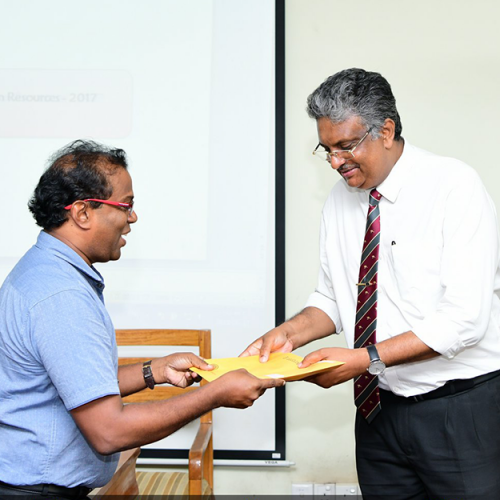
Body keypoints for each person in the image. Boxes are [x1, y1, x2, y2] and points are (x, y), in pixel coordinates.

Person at [241, 68, 500, 499]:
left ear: (386, 131)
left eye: (346, 146)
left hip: (461, 411)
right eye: (327, 150)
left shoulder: (454, 187)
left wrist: (365, 359)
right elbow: (334, 298)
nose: (335, 162)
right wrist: (287, 334)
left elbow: (464, 321)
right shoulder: (338, 200)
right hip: (379, 410)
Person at [0, 140, 284, 499]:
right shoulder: (61, 296)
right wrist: (213, 395)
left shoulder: (42, 271)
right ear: (82, 213)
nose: (132, 218)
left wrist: (154, 370)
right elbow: (109, 432)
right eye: (126, 206)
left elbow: (77, 384)